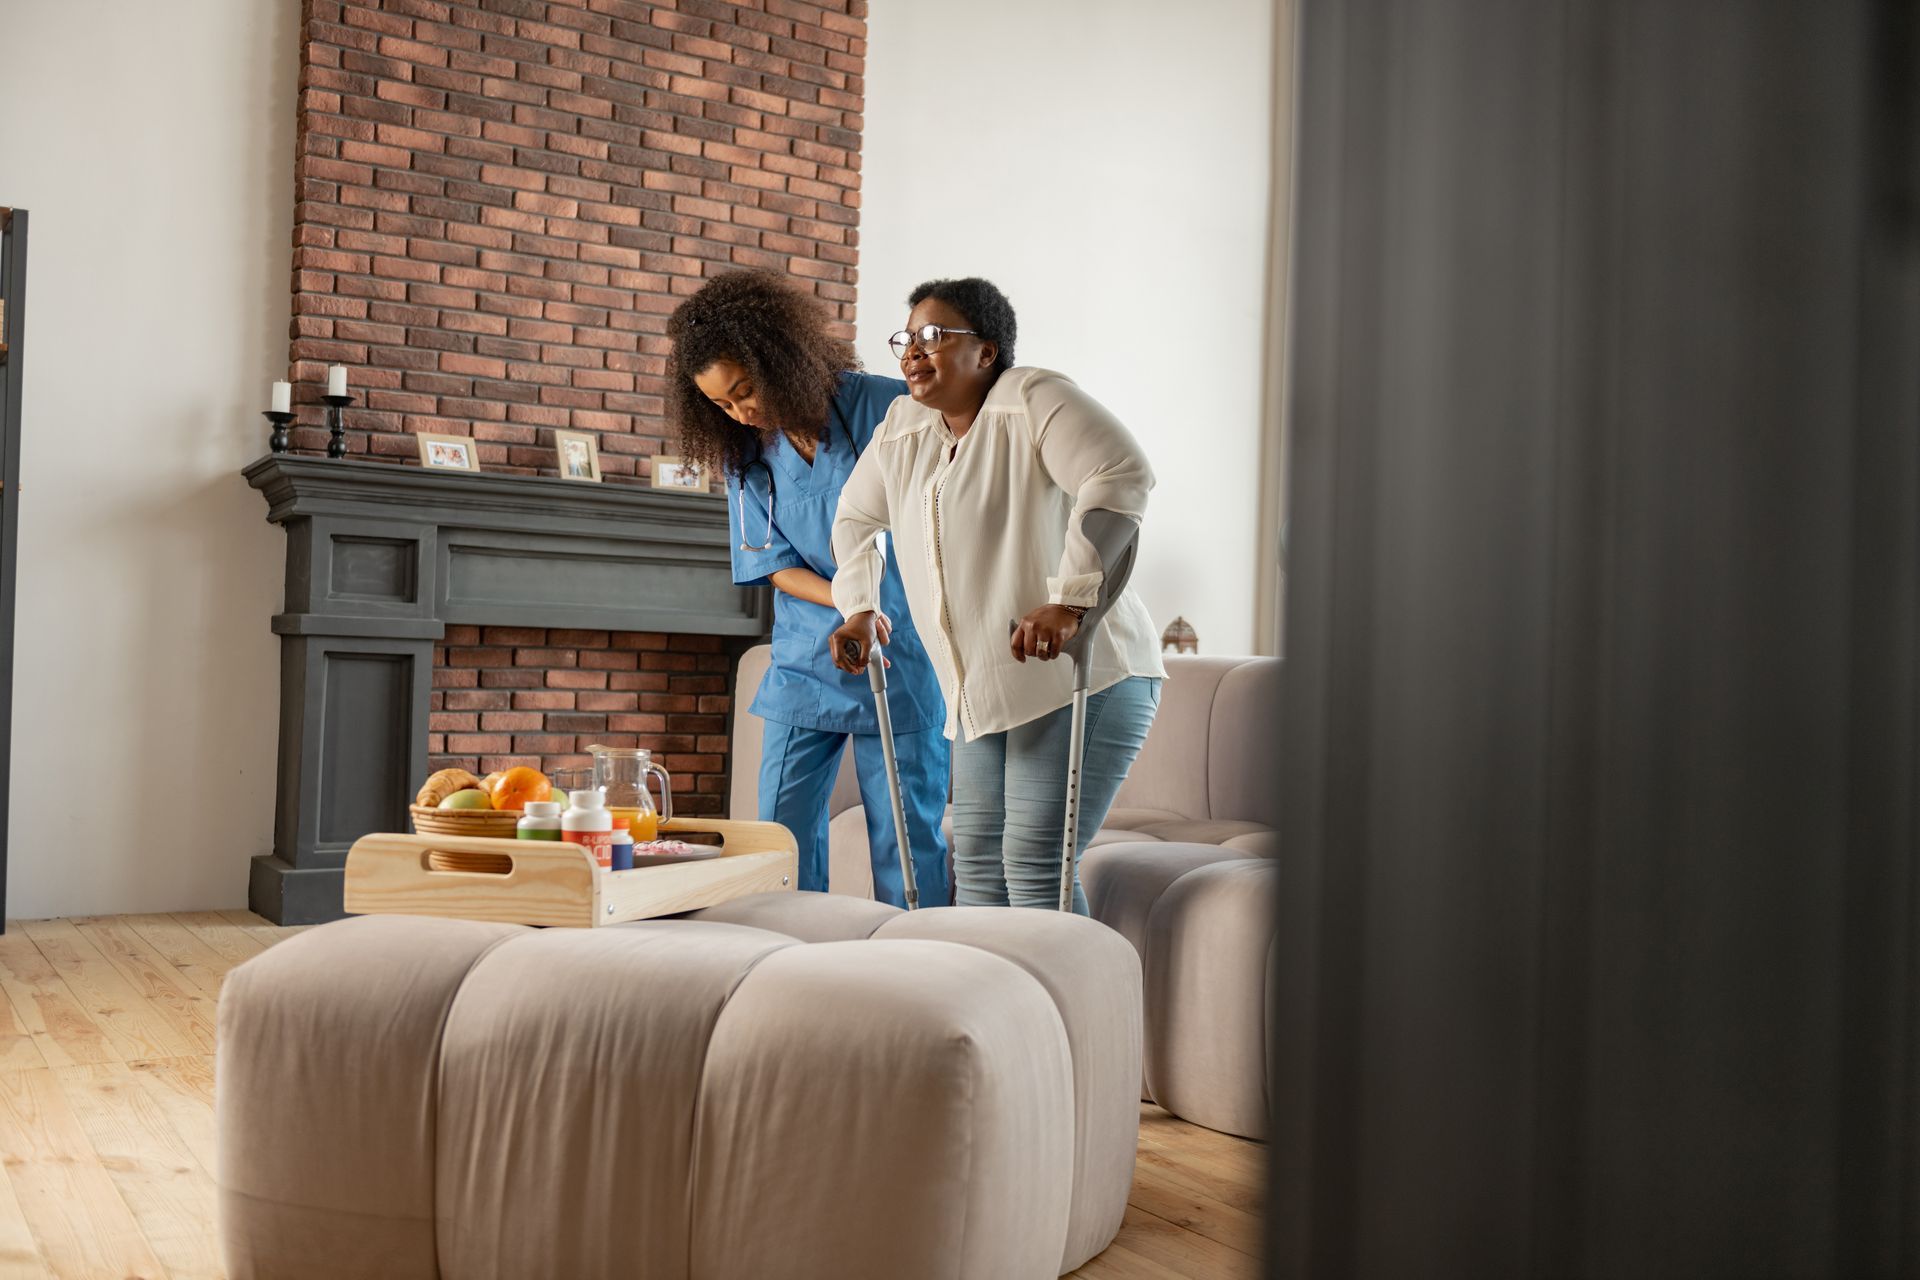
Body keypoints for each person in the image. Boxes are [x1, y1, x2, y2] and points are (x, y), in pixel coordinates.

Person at [829, 278, 1165, 913]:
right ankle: (990, 983)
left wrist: (1070, 601)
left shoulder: (1032, 398)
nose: (913, 350)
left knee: (1035, 864)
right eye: (907, 337)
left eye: (934, 335)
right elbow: (854, 518)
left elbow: (1120, 471)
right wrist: (860, 607)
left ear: (986, 351)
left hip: (1083, 674)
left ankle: (1077, 984)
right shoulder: (903, 427)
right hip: (984, 690)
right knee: (979, 865)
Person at [666, 270, 950, 907]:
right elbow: (774, 563)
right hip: (806, 653)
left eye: (745, 391)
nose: (741, 413)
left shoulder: (889, 408)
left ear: (778, 358)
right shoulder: (746, 456)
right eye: (722, 405)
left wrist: (872, 607)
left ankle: (918, 949)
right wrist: (849, 603)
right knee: (779, 832)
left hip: (901, 649)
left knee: (906, 836)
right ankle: (792, 948)